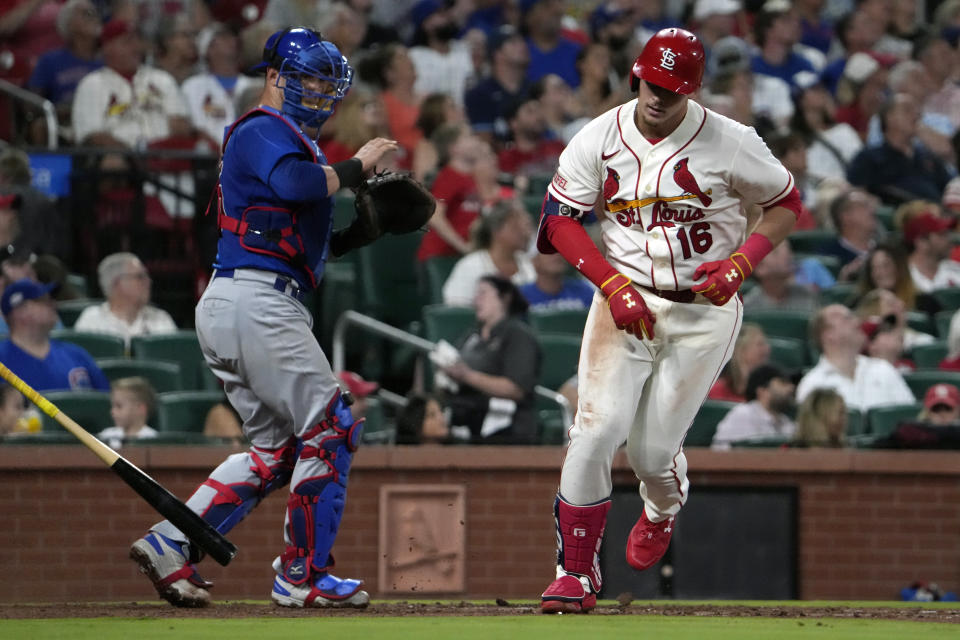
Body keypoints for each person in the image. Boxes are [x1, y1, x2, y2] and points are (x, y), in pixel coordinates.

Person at [128, 29, 399, 611]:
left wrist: (355, 235)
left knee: (276, 452)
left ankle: (171, 541)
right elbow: (294, 185)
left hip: (247, 299)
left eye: (328, 83)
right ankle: (303, 575)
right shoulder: (262, 129)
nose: (321, 92)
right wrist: (358, 166)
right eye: (309, 79)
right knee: (332, 427)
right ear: (274, 77)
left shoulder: (291, 138)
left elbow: (287, 239)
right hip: (257, 303)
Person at [534, 29, 801, 614]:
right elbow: (559, 221)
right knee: (596, 430)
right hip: (622, 298)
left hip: (703, 311)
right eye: (653, 84)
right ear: (637, 76)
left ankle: (661, 507)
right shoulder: (600, 135)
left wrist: (741, 263)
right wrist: (610, 284)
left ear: (692, 90)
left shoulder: (732, 141)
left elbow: (786, 203)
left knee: (651, 454)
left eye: (673, 89)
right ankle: (574, 575)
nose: (659, 97)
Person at [435, 275, 541, 444]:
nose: (476, 299)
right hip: (465, 423)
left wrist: (466, 376)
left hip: (505, 430)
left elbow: (516, 388)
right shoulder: (471, 335)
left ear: (505, 298)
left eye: (483, 293)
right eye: (475, 294)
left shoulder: (518, 335)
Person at [71, 18, 192, 148]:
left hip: (165, 156)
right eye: (127, 42)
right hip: (119, 160)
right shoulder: (91, 84)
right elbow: (92, 136)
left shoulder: (162, 79)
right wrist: (130, 157)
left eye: (137, 40)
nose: (136, 47)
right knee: (112, 162)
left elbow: (182, 126)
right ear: (108, 48)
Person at [796, 304, 915, 412]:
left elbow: (908, 416)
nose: (857, 322)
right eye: (847, 319)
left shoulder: (883, 369)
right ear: (828, 335)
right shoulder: (813, 384)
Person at [0, 279, 109, 392]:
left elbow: (105, 402)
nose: (53, 304)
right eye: (45, 301)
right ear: (21, 311)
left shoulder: (76, 355)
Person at [441, 198, 535, 307]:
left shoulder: (528, 264)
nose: (526, 234)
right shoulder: (470, 266)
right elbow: (456, 311)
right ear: (497, 231)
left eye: (527, 227)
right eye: (517, 227)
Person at [74, 252, 177, 350]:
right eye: (140, 277)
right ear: (117, 283)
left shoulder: (161, 319)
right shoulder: (91, 321)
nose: (149, 281)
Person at [711, 364, 797, 449]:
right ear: (762, 391)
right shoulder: (743, 414)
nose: (791, 388)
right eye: (782, 383)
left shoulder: (786, 422)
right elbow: (720, 451)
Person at [708, 323, 771, 402]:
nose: (767, 349)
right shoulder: (716, 390)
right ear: (740, 349)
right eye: (760, 344)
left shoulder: (769, 390)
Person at [519, 250, 595, 312]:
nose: (557, 255)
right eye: (549, 251)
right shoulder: (521, 296)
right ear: (535, 261)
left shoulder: (584, 291)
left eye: (560, 249)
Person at [97, 376, 159, 449]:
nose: (112, 411)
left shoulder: (153, 439)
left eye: (119, 406)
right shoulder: (106, 436)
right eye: (112, 406)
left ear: (140, 408)